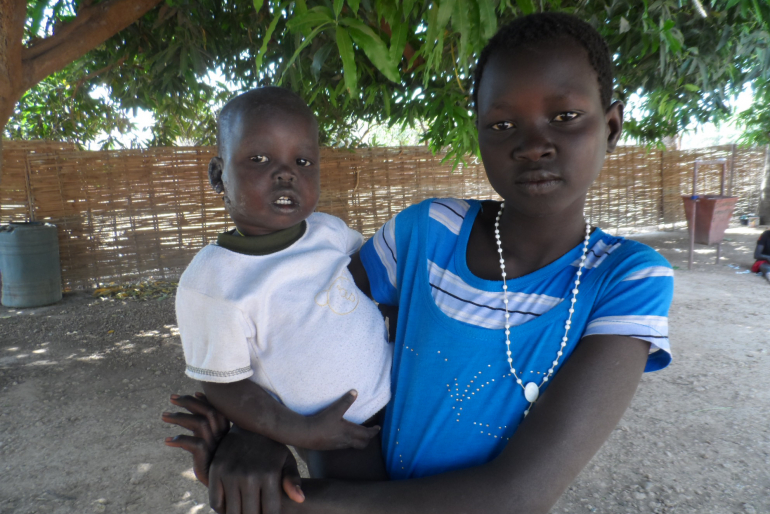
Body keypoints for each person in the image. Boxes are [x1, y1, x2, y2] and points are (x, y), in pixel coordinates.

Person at [164, 12, 675, 514]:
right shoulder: (427, 233)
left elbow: (516, 496)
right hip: (349, 467)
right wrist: (259, 433)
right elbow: (304, 322)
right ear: (478, 133)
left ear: (610, 126)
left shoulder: (627, 278)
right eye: (501, 123)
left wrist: (284, 499)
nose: (534, 146)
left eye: (565, 117)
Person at [164, 87, 393, 498]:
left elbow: (373, 278)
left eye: (302, 161)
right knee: (368, 504)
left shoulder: (329, 230)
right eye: (259, 159)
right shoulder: (212, 283)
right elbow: (225, 385)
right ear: (219, 175)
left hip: (403, 395)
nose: (286, 173)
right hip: (335, 432)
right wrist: (302, 431)